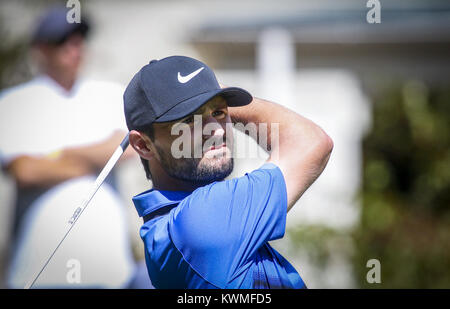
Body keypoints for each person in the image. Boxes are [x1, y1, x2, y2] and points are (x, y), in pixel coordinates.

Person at [124, 55, 333, 288]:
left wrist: (205, 92)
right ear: (143, 145)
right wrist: (215, 92)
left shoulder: (167, 227)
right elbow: (311, 141)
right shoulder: (199, 219)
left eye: (219, 113)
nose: (217, 131)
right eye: (189, 120)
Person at [0, 7, 142, 288]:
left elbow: (130, 148)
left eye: (79, 40)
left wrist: (60, 155)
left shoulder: (110, 94)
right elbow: (25, 171)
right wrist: (100, 156)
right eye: (62, 41)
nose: (74, 49)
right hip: (38, 268)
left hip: (111, 268)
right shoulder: (13, 102)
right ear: (40, 49)